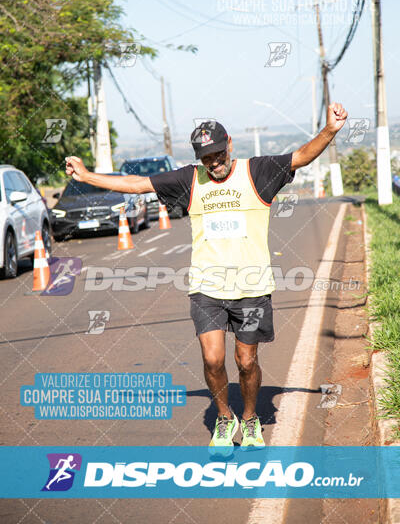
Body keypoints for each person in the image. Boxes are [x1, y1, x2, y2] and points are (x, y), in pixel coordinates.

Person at [65, 102, 348, 454]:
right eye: (206, 158)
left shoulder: (256, 171)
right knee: (213, 360)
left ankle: (249, 418)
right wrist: (88, 176)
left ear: (229, 145)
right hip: (207, 287)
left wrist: (330, 130)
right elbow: (138, 184)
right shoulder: (189, 179)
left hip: (252, 287)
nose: (213, 163)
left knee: (247, 362)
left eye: (217, 154)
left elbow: (302, 156)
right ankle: (225, 417)